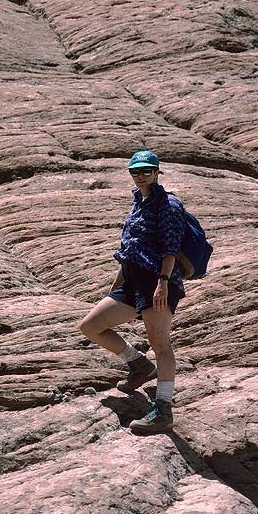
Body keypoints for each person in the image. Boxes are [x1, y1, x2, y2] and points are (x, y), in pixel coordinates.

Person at [78, 150, 186, 434]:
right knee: (91, 326)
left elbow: (171, 246)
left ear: (157, 172)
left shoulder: (169, 203)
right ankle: (138, 365)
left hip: (157, 281)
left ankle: (163, 409)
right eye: (135, 171)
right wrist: (115, 288)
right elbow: (128, 251)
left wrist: (163, 281)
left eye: (146, 171)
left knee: (160, 343)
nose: (141, 176)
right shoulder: (138, 202)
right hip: (131, 281)